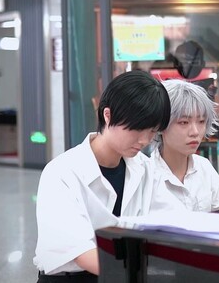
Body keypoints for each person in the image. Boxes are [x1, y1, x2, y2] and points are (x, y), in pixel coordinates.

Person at [34, 70, 171, 282]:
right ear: (108, 115)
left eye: (152, 131)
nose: (144, 140)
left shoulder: (145, 168)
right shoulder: (62, 172)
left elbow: (169, 219)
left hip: (124, 273)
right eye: (137, 129)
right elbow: (81, 252)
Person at [150, 79, 219, 212]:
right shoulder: (146, 175)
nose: (195, 132)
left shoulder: (204, 167)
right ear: (160, 125)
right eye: (184, 122)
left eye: (201, 121)